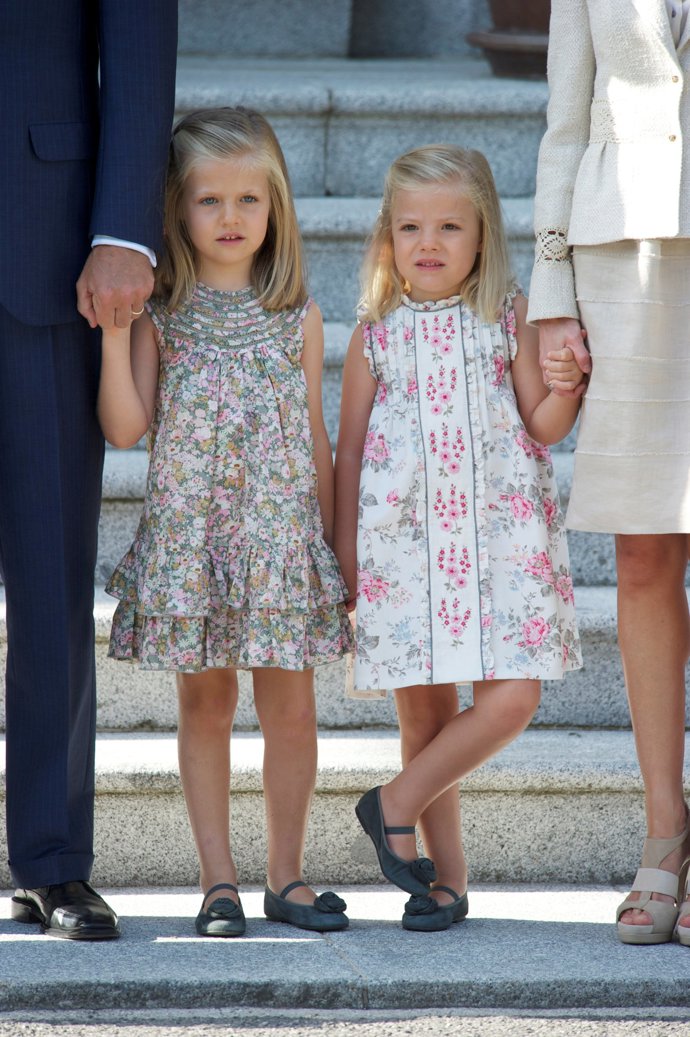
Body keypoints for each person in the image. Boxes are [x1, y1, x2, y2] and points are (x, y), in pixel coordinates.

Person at [98, 107, 354, 938]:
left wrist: (331, 544)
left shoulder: (298, 315)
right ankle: (219, 879)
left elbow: (316, 438)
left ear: (276, 205)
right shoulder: (162, 316)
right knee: (204, 705)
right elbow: (126, 428)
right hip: (192, 543)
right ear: (177, 210)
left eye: (251, 199)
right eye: (211, 201)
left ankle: (288, 871)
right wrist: (115, 335)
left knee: (292, 711)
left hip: (280, 545)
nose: (233, 218)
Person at [333, 144, 583, 931]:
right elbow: (348, 453)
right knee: (425, 716)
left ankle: (394, 801)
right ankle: (443, 881)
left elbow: (540, 425)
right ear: (387, 237)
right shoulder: (375, 333)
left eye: (449, 225)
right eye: (410, 226)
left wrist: (568, 389)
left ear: (482, 237)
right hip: (403, 555)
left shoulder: (504, 315)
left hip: (501, 546)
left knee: (513, 695)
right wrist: (343, 556)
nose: (429, 241)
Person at [1, 0, 177, 940]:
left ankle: (52, 859)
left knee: (49, 573)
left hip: (42, 245)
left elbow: (139, 43)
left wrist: (126, 231)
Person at [529, 0, 690, 946]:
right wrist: (553, 293)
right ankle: (664, 830)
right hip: (622, 251)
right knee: (643, 553)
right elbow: (566, 114)